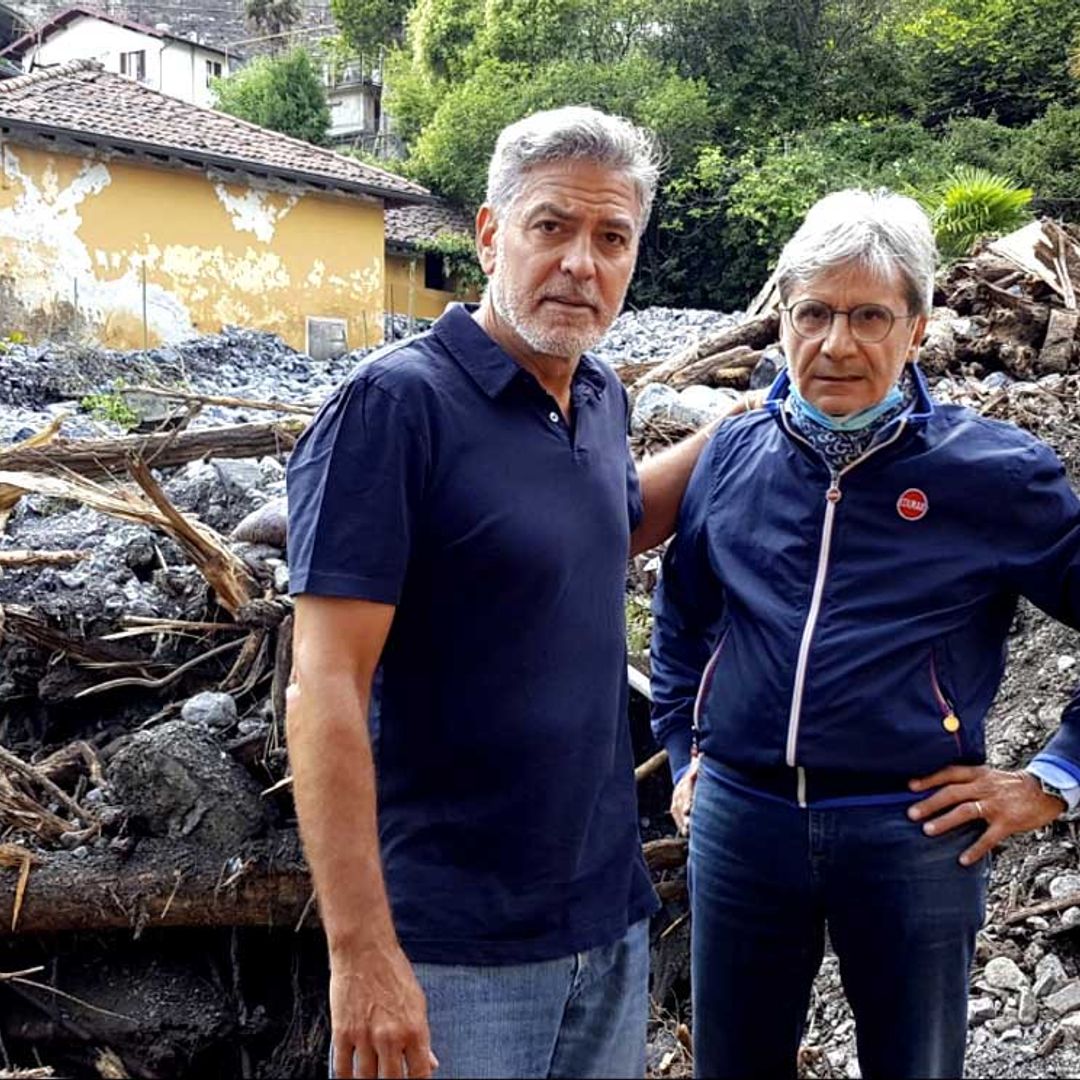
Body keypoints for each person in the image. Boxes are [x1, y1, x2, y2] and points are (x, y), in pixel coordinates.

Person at [286, 106, 752, 1080]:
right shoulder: (394, 410)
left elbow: (612, 522)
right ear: (492, 235)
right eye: (553, 227)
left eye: (612, 238)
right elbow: (322, 685)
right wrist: (361, 955)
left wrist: (752, 422)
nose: (582, 262)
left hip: (606, 923)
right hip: (450, 949)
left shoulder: (596, 395)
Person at [650, 188, 1080, 1079]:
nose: (837, 343)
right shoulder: (733, 454)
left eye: (870, 316)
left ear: (917, 328)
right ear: (783, 321)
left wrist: (1053, 778)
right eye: (813, 313)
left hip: (913, 829)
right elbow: (684, 612)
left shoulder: (993, 475)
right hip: (743, 823)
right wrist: (685, 753)